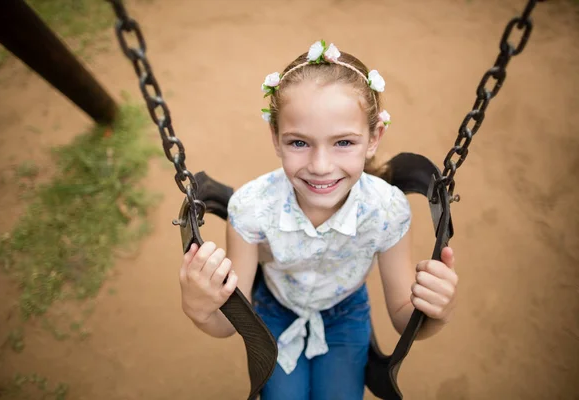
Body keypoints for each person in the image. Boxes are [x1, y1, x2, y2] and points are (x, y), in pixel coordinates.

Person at [179, 40, 459, 400]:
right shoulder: (252, 208)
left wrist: (434, 313)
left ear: (374, 138)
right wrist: (199, 308)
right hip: (275, 311)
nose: (321, 165)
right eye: (299, 143)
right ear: (276, 138)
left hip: (346, 312)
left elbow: (405, 317)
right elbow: (228, 325)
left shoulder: (386, 210)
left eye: (343, 142)